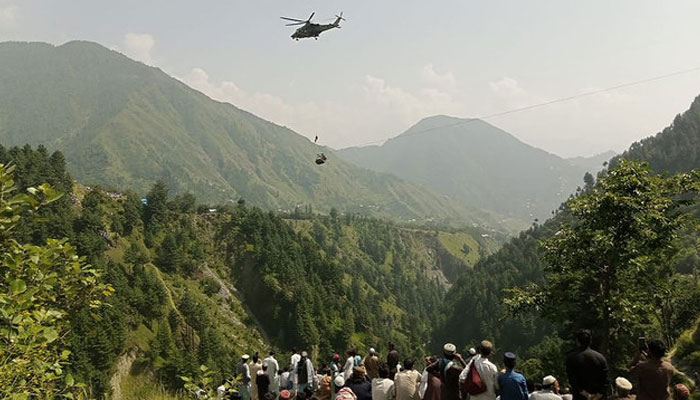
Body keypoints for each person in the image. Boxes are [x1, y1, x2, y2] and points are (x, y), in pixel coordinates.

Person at [565, 330, 609, 400]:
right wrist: (599, 394)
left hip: (580, 397)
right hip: (598, 397)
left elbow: (572, 379)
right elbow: (606, 379)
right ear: (590, 341)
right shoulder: (600, 357)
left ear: (577, 341)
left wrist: (584, 393)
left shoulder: (571, 358)